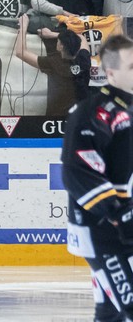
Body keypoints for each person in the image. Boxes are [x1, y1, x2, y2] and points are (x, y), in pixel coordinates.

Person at [62, 33, 133, 322]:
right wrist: (118, 213)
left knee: (110, 312)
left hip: (124, 228)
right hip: (100, 229)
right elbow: (76, 171)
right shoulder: (92, 113)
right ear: (111, 71)